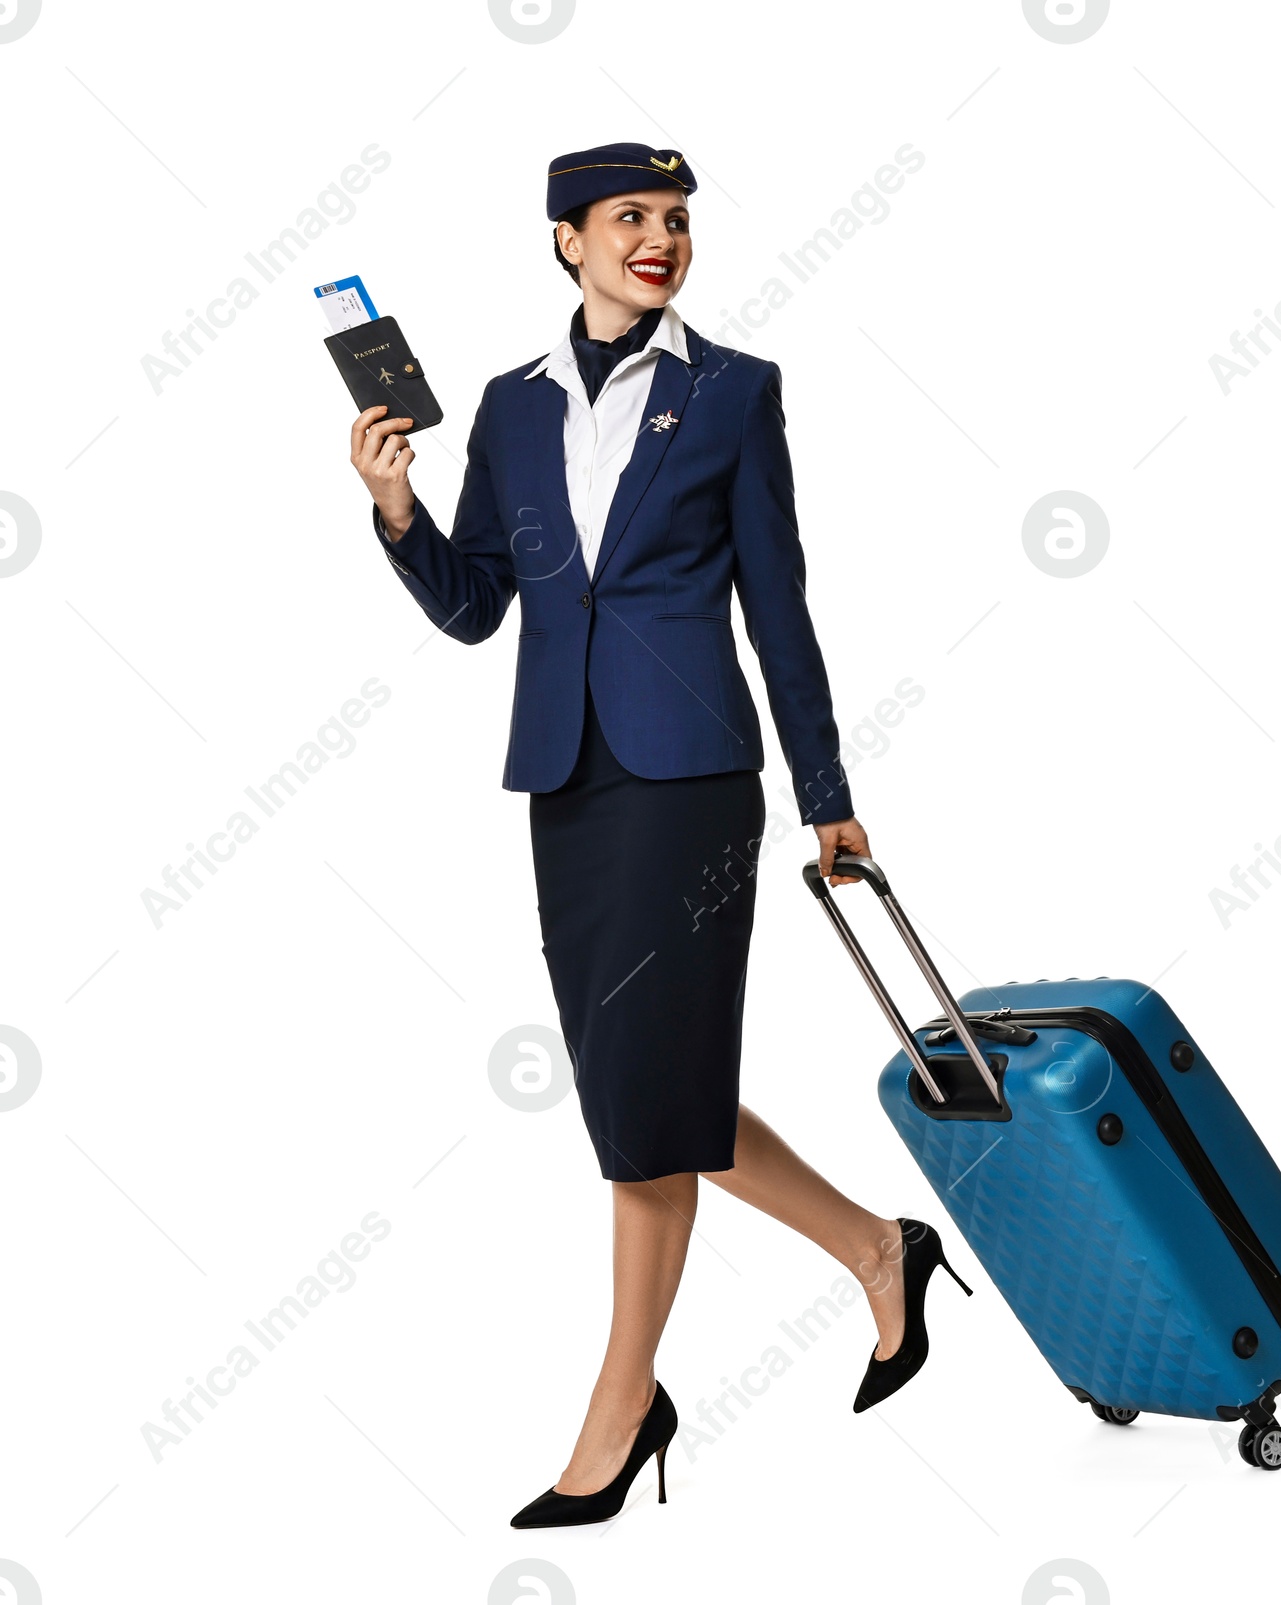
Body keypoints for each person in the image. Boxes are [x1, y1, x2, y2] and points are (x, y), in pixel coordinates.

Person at [347, 141, 972, 1529]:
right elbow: (475, 605)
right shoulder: (507, 410)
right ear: (565, 238)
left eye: (679, 219)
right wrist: (393, 505)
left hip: (691, 777)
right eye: (631, 217)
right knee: (644, 1090)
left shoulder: (736, 392)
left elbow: (780, 606)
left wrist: (827, 793)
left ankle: (622, 1408)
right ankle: (879, 1248)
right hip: (566, 782)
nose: (662, 238)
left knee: (644, 1113)